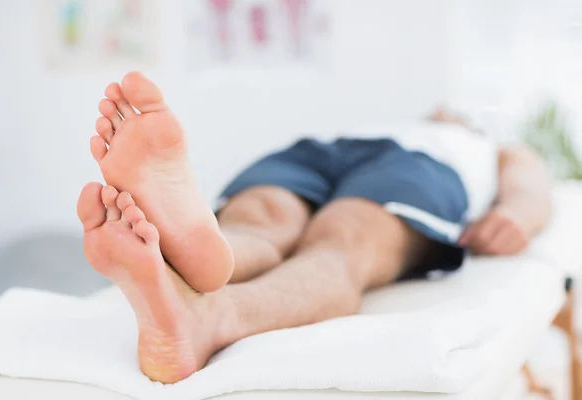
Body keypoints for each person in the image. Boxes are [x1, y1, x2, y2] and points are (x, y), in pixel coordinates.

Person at [77, 72, 552, 384]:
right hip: (323, 151)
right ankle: (204, 254)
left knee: (344, 235)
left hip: (419, 166)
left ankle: (212, 311)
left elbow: (532, 186)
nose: (444, 111)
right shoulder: (402, 123)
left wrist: (516, 216)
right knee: (263, 213)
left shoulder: (485, 145)